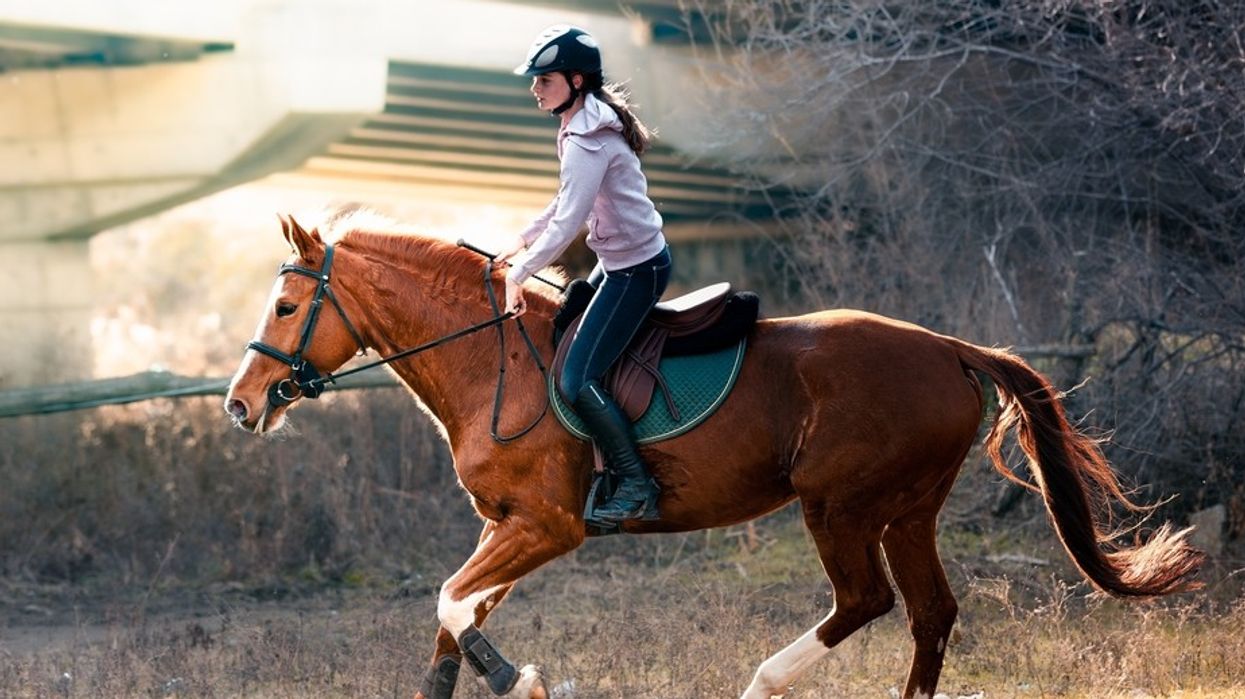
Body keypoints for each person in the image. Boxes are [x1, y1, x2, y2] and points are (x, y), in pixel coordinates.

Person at [495, 25, 671, 524]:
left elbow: (571, 218)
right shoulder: (579, 122)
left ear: (576, 80)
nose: (535, 88)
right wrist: (523, 240)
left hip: (634, 271)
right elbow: (566, 200)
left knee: (576, 378)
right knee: (568, 318)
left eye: (544, 80)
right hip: (618, 260)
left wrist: (520, 274)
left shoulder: (586, 140)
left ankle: (637, 485)